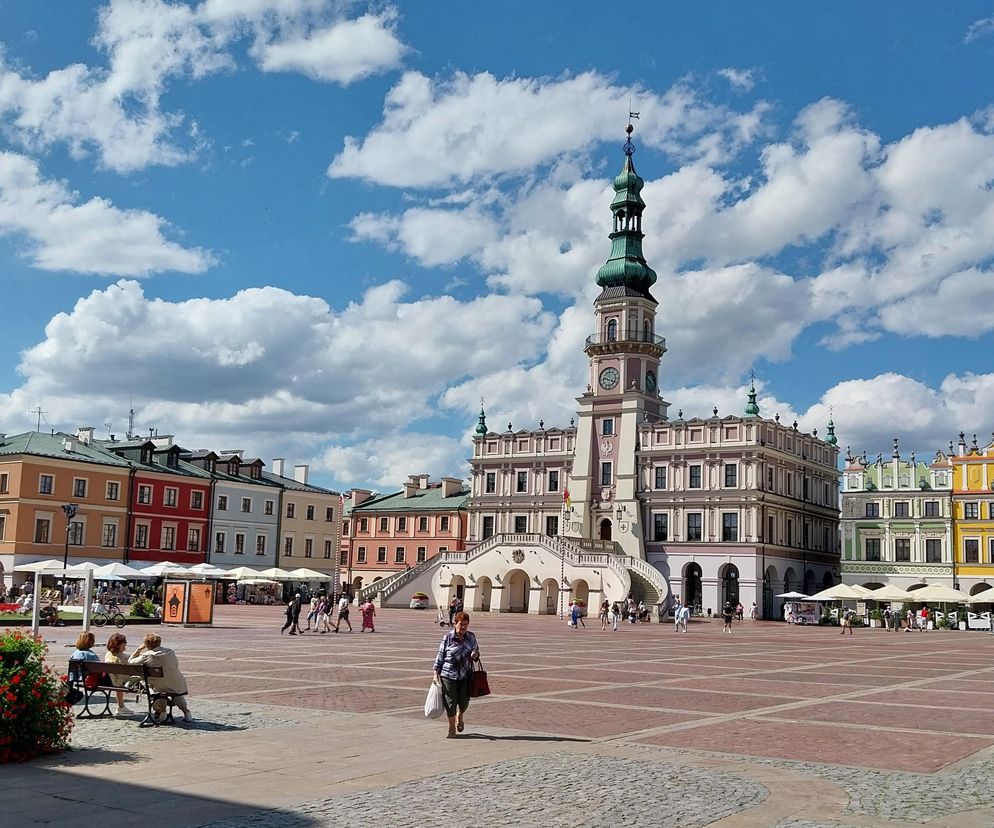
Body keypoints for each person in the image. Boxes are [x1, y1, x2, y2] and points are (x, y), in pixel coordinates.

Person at [432, 610, 480, 738]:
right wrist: (436, 673)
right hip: (448, 674)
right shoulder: (448, 637)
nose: (463, 627)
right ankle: (451, 728)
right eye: (461, 624)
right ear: (455, 624)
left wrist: (475, 655)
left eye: (465, 624)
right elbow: (440, 655)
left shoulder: (471, 637)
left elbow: (476, 652)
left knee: (464, 701)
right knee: (450, 702)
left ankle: (461, 714)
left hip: (465, 675)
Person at [129, 633, 192, 723]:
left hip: (159, 686)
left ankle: (162, 712)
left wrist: (139, 649)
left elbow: (130, 662)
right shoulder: (170, 652)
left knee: (158, 687)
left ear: (146, 644)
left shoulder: (147, 655)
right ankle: (187, 713)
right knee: (172, 689)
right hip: (176, 683)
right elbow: (175, 665)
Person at [104, 633, 134, 717]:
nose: (126, 643)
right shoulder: (123, 657)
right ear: (118, 644)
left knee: (119, 680)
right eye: (124, 642)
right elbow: (133, 659)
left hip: (111, 681)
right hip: (123, 683)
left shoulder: (108, 654)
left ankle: (121, 706)